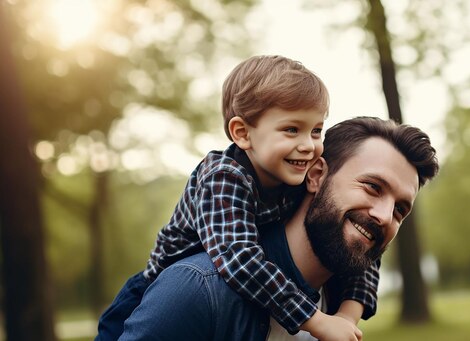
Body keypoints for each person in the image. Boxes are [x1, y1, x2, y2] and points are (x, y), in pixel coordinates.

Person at [97, 56, 379, 340]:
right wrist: (315, 319)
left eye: (316, 130)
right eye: (292, 130)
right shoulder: (223, 177)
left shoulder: (297, 171)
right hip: (162, 293)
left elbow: (358, 243)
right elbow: (238, 259)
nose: (308, 145)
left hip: (230, 299)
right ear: (242, 134)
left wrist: (346, 316)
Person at [119, 116, 439, 340]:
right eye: (372, 186)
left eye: (400, 209)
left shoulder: (341, 298)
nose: (385, 216)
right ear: (315, 175)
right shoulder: (196, 290)